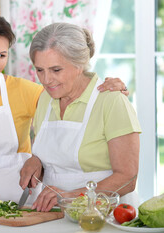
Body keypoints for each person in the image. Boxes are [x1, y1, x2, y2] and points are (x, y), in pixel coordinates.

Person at [0, 14, 128, 203]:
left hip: (25, 199)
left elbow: (68, 98)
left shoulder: (25, 90)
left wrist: (107, 87)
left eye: (1, 55)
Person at [19, 23, 141, 211]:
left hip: (105, 216)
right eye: (40, 70)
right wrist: (36, 161)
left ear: (79, 65)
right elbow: (54, 157)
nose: (45, 80)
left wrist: (70, 197)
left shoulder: (111, 101)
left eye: (56, 70)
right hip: (55, 215)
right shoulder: (45, 98)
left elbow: (128, 178)